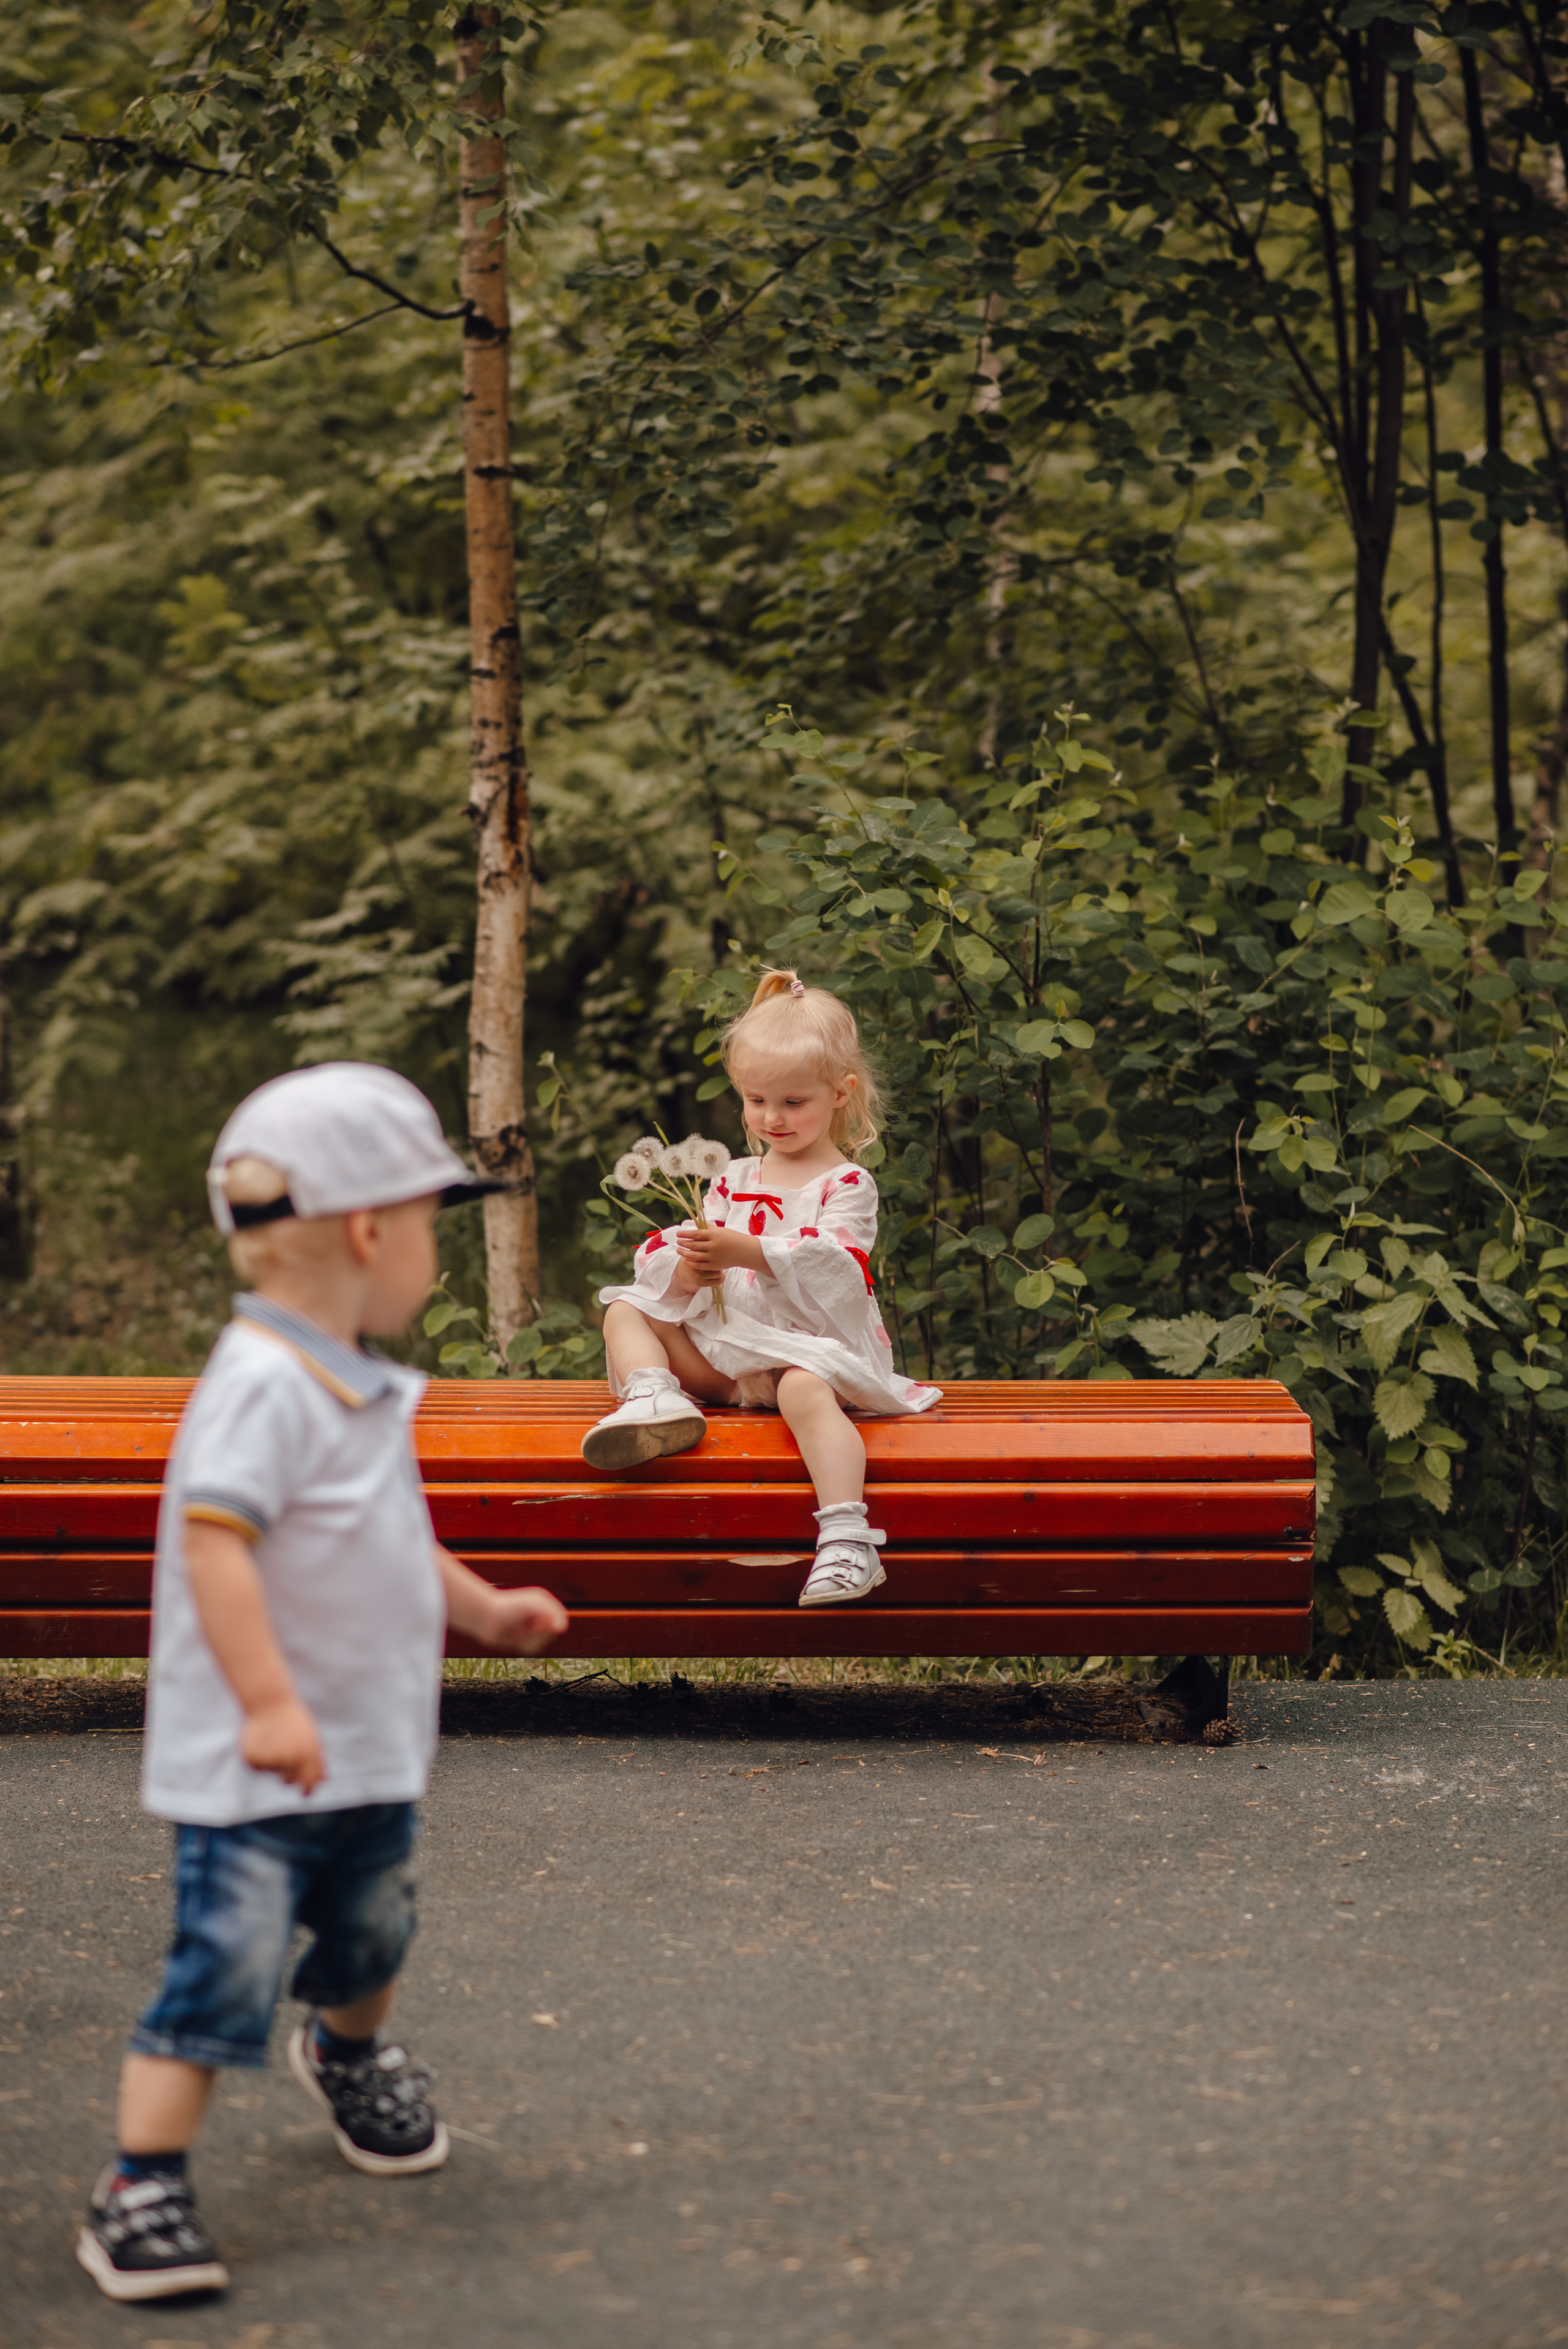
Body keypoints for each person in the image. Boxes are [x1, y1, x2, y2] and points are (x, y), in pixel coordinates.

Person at [78, 1064, 568, 2304]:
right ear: (368, 1229)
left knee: (371, 1927)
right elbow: (212, 1546)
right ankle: (139, 2183)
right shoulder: (262, 1387)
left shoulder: (349, 1383)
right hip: (258, 1762)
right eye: (430, 1227)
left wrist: (478, 1607)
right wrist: (269, 1703)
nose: (433, 1259)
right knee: (222, 1965)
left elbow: (389, 1534)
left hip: (369, 1746)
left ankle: (345, 2051)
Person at [585, 969, 939, 1606]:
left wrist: (749, 1250)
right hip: (726, 1363)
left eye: (792, 1103)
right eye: (756, 1100)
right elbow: (695, 1273)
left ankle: (847, 1539)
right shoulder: (733, 1175)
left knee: (804, 1387)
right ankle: (654, 1399)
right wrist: (694, 1268)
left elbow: (840, 1267)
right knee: (626, 1306)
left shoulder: (845, 1184)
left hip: (804, 1359)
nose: (771, 1119)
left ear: (840, 1093)